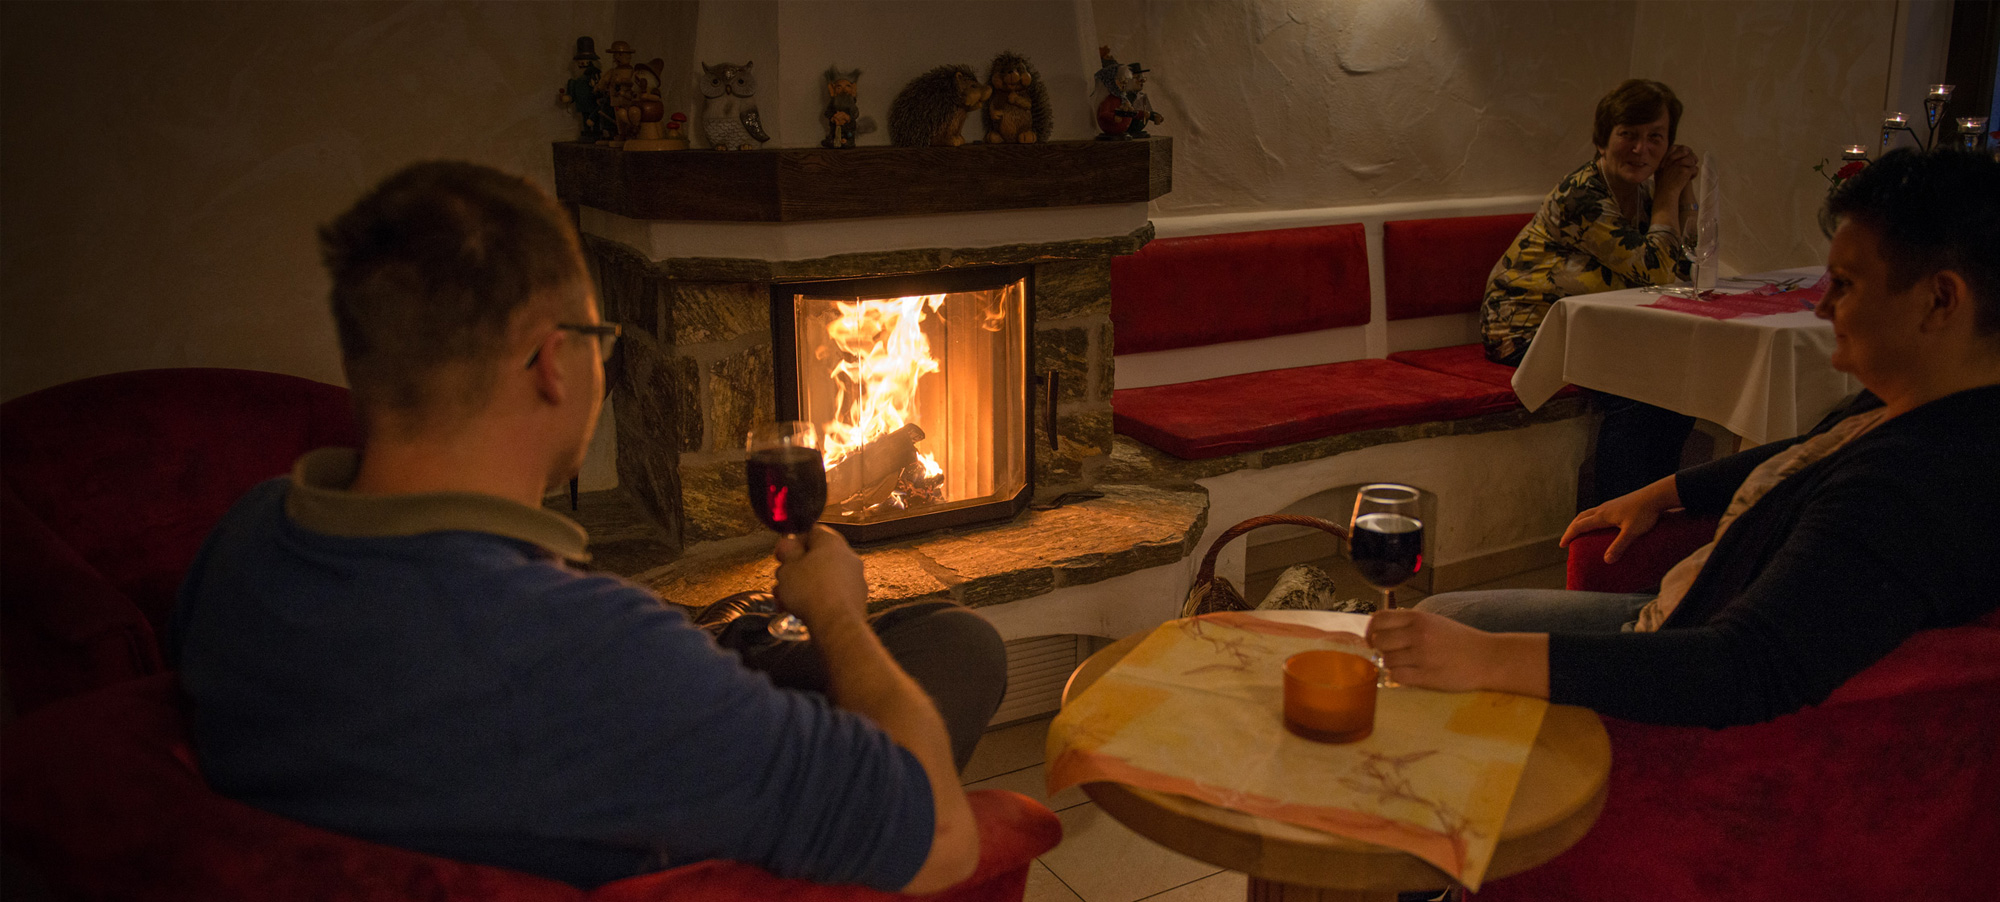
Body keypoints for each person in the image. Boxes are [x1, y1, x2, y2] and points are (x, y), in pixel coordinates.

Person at [168, 161, 1005, 893]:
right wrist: (837, 615)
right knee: (959, 650)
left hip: (550, 756)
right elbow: (940, 842)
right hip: (622, 758)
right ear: (549, 360)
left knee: (889, 636)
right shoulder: (583, 649)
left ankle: (731, 634)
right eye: (598, 337)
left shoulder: (243, 542)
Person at [1371, 148, 2000, 728]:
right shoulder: (1927, 402)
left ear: (1941, 300)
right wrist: (1667, 490)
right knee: (1442, 620)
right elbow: (1805, 453)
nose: (1823, 306)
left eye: (1847, 284)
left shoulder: (1922, 484)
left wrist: (1490, 662)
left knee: (1444, 628)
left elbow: (1745, 671)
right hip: (1695, 602)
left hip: (1684, 660)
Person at [1481, 79, 1702, 505]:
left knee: (1679, 390)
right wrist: (1670, 191)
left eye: (1655, 137)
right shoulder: (1582, 195)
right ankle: (1611, 526)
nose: (1641, 149)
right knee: (1637, 397)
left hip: (1596, 329)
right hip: (1526, 329)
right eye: (1628, 135)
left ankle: (1648, 518)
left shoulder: (1640, 194)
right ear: (1603, 140)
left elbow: (1687, 261)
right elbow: (1655, 269)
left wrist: (1681, 187)